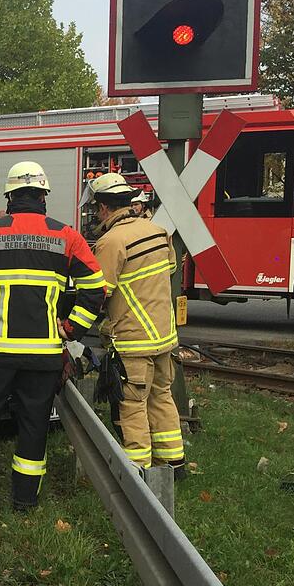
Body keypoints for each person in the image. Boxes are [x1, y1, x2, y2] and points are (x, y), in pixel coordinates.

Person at [0, 162, 106, 516]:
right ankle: (25, 502)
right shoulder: (67, 237)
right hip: (43, 356)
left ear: (10, 196)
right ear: (44, 195)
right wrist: (72, 328)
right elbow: (95, 288)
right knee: (34, 423)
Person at [88, 172, 185, 475]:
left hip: (134, 340)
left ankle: (138, 471)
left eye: (95, 208)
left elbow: (99, 292)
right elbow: (169, 268)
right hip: (164, 335)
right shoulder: (158, 231)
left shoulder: (111, 241)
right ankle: (173, 462)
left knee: (132, 405)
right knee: (161, 397)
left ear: (104, 208)